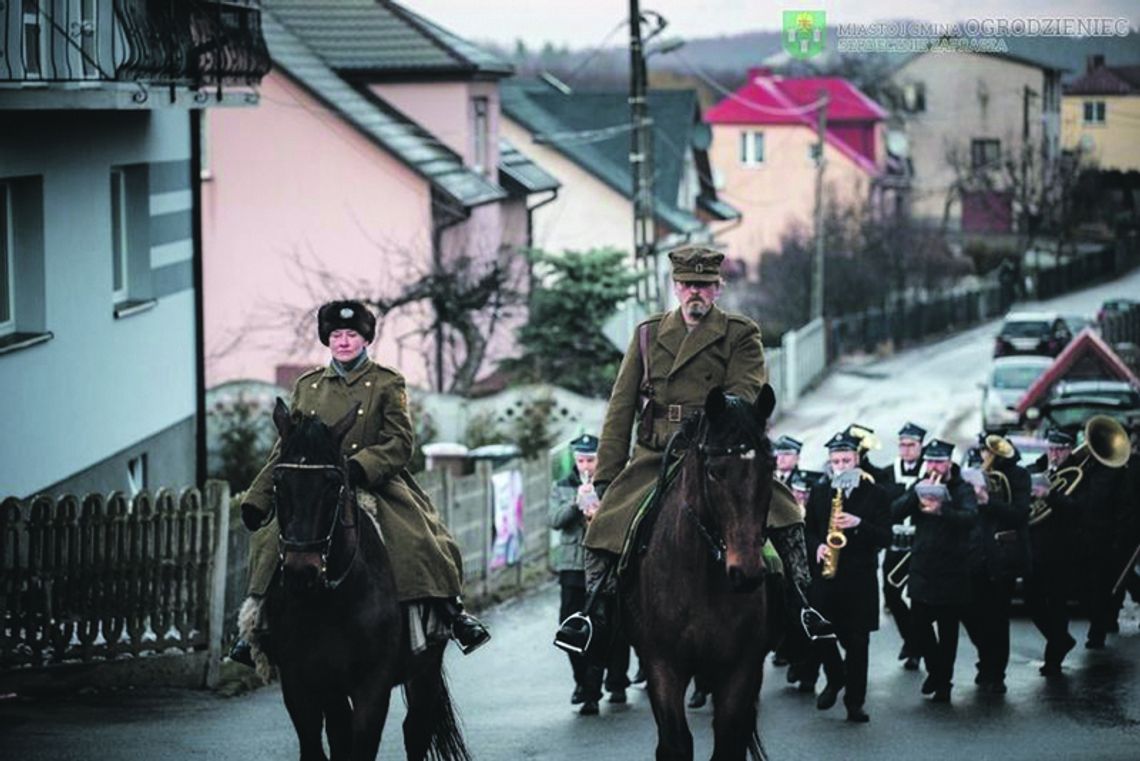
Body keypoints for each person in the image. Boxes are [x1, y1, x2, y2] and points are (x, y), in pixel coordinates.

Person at [554, 245, 824, 656]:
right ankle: (594, 616)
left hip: (720, 449)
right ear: (676, 287)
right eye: (687, 285)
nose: (694, 293)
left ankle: (800, 607)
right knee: (606, 527)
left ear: (717, 289)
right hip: (656, 453)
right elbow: (621, 407)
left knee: (784, 516)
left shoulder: (740, 332)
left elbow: (744, 393)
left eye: (703, 285)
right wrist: (606, 475)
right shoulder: (647, 334)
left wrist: (711, 427)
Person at [229, 300, 490, 666]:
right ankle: (256, 626)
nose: (344, 342)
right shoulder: (309, 386)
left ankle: (450, 612)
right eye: (336, 335)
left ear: (365, 339)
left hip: (374, 481)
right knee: (272, 540)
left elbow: (400, 443)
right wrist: (259, 496)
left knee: (418, 538)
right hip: (317, 485)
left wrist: (359, 467)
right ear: (327, 340)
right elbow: (286, 447)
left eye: (352, 334)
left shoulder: (386, 382)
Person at [803, 432, 891, 723]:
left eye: (846, 460)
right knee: (820, 633)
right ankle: (835, 676)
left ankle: (855, 703)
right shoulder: (820, 489)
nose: (840, 466)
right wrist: (817, 546)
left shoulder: (876, 494)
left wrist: (858, 523)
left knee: (857, 644)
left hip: (859, 580)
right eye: (836, 461)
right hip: (826, 578)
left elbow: (886, 537)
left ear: (857, 459)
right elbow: (809, 528)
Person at [891, 438, 977, 703]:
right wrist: (915, 494)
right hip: (922, 567)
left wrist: (943, 509)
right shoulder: (922, 484)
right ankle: (936, 671)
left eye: (939, 461)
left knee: (948, 630)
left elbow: (970, 518)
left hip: (952, 569)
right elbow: (893, 512)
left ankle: (944, 681)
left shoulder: (963, 489)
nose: (934, 467)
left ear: (949, 462)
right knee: (919, 625)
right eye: (930, 461)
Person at [549, 433, 629, 716]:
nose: (585, 466)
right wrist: (575, 503)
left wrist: (599, 503)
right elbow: (554, 521)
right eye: (580, 460)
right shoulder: (563, 485)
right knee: (570, 628)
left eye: (590, 460)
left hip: (604, 564)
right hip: (572, 567)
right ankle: (582, 683)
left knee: (606, 627)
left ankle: (605, 685)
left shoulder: (612, 485)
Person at [960, 434, 1030, 694]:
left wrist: (989, 501)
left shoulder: (1018, 476)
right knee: (969, 611)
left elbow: (1021, 514)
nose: (985, 455)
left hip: (1003, 555)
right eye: (983, 451)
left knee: (998, 617)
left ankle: (995, 672)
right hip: (975, 553)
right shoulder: (974, 474)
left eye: (989, 452)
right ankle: (986, 658)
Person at [1024, 429, 1079, 674]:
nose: (1054, 454)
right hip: (1034, 548)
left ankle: (1053, 659)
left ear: (1069, 449)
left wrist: (1051, 495)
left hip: (1063, 550)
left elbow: (1079, 509)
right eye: (1051, 449)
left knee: (1058, 605)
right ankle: (1062, 640)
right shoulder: (1034, 470)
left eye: (1060, 449)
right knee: (1032, 602)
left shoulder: (1080, 474)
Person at [880, 422, 927, 671]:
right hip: (895, 544)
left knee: (918, 599)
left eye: (911, 445)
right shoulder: (889, 472)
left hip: (920, 544)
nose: (906, 450)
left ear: (921, 446)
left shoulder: (929, 472)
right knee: (891, 594)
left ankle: (916, 651)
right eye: (903, 444)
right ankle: (911, 641)